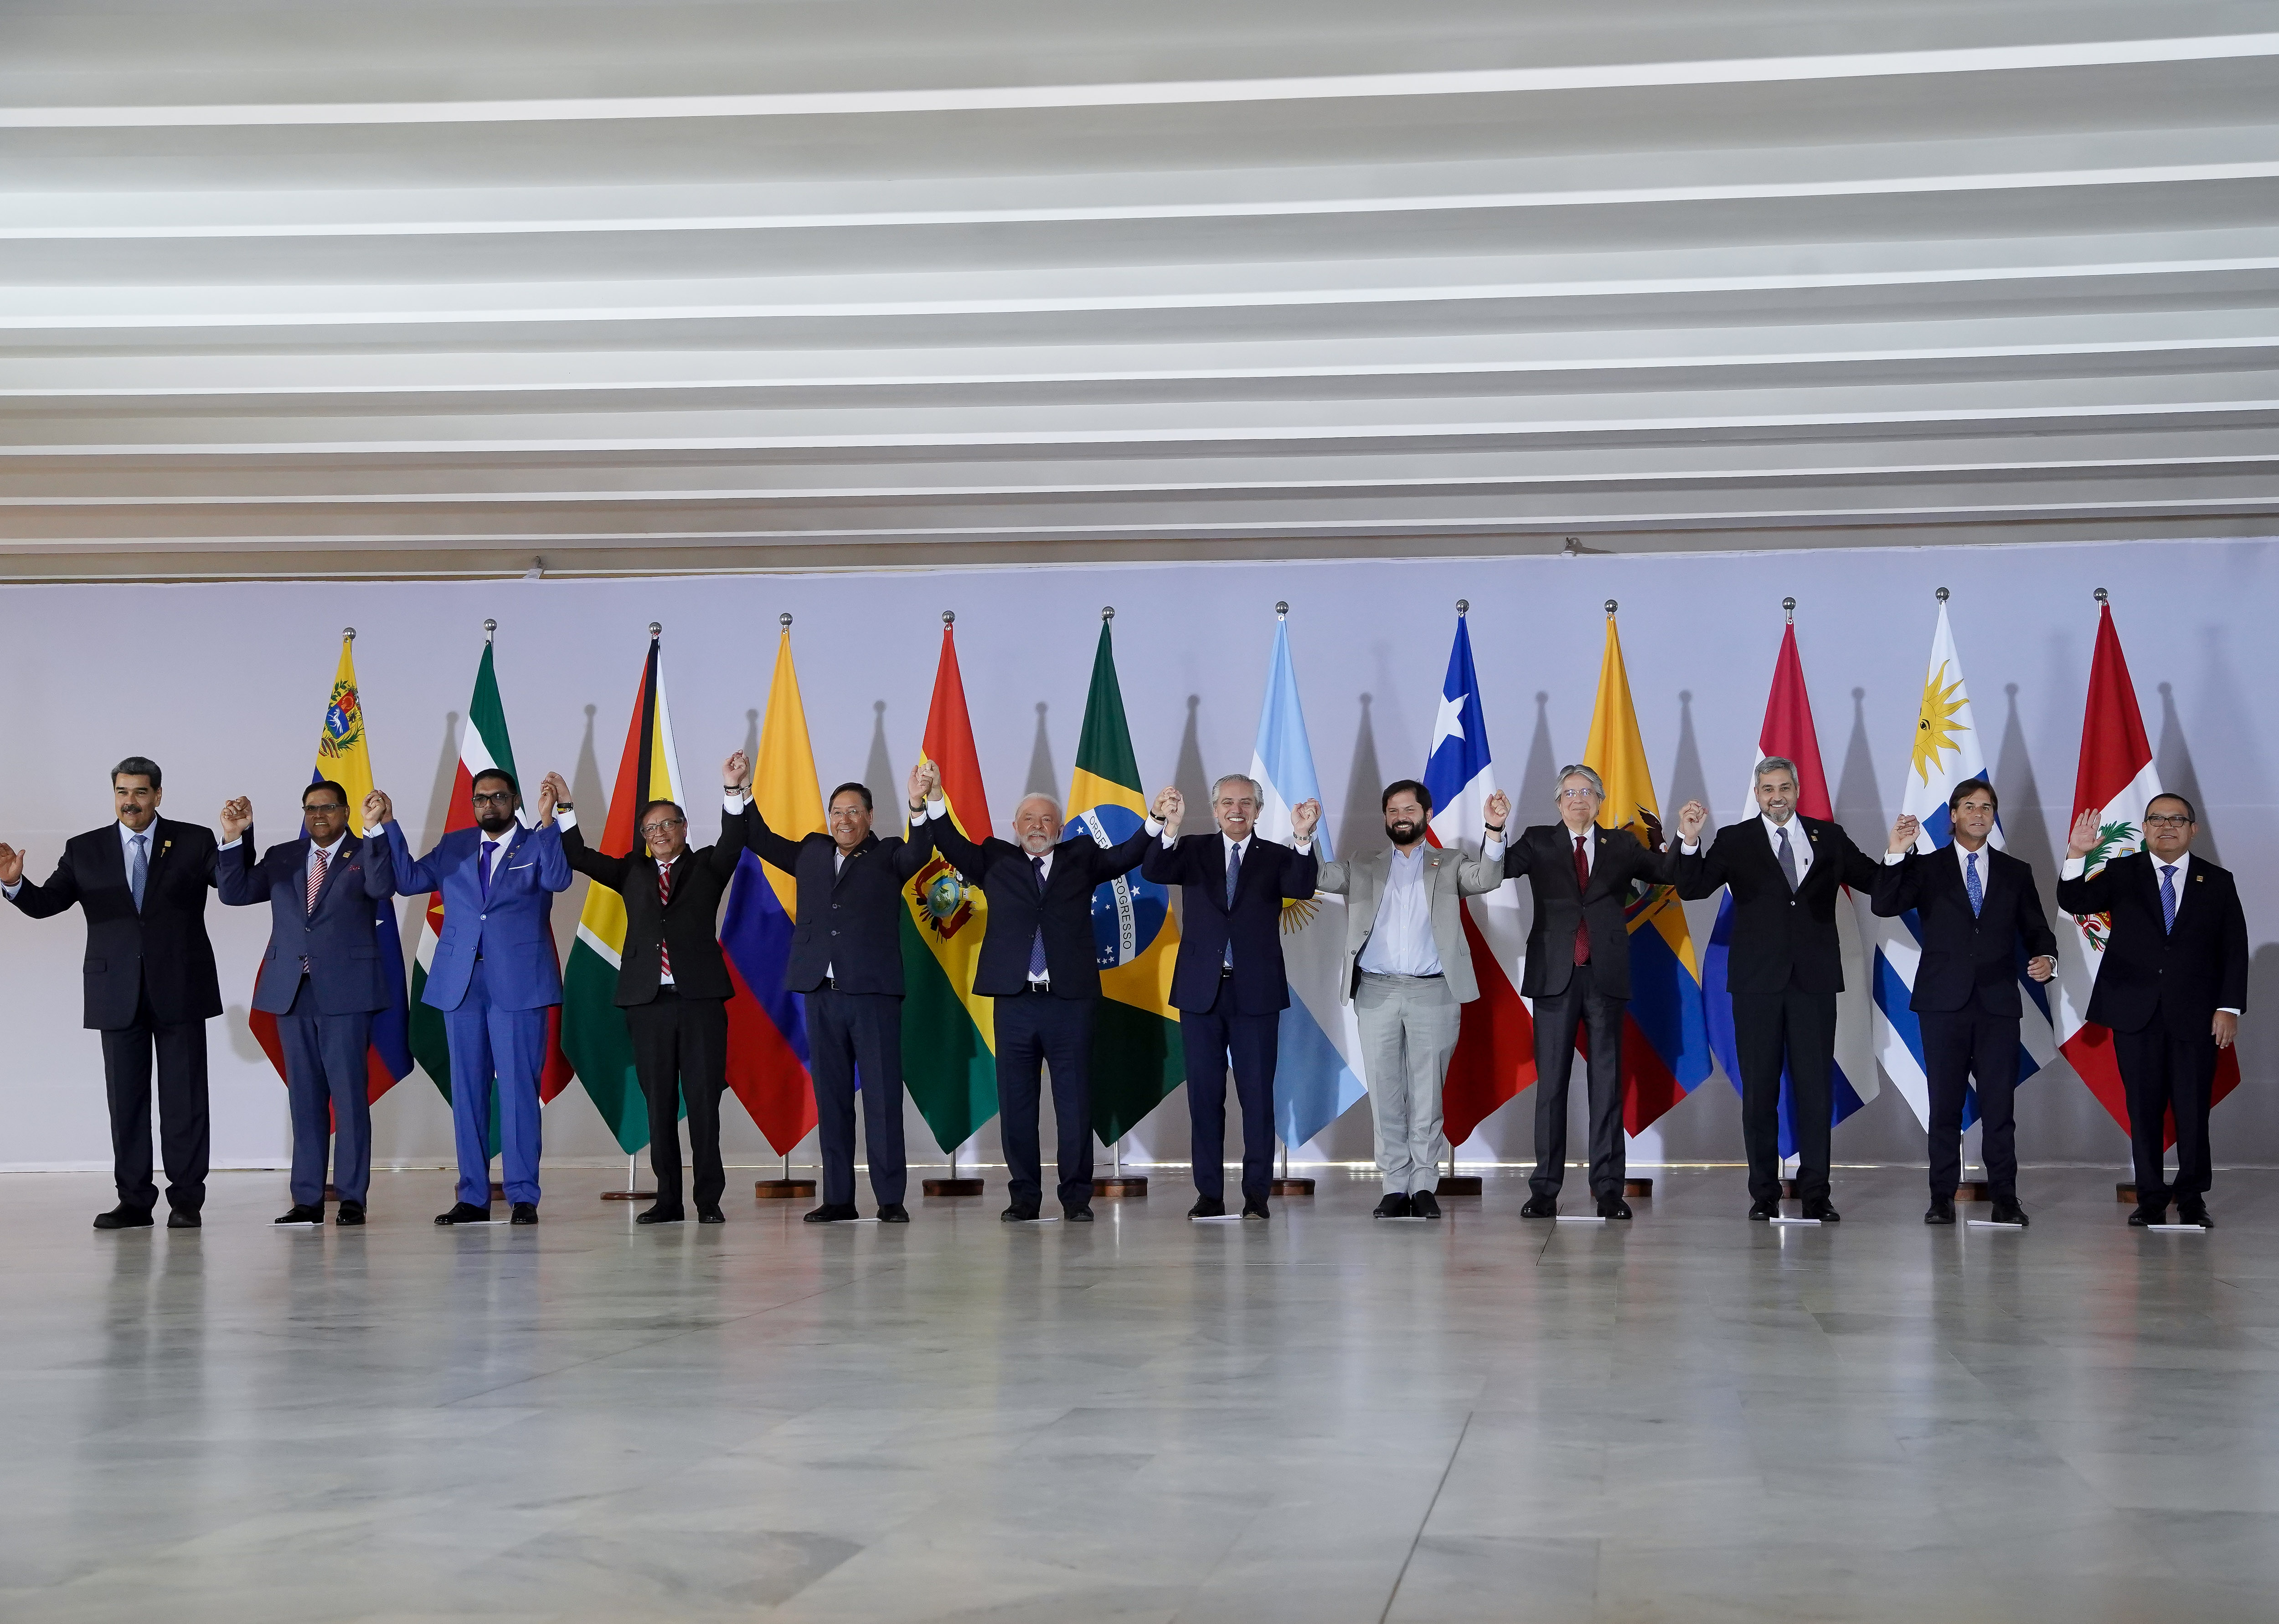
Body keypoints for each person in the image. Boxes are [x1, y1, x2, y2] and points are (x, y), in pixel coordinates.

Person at [913, 764, 1160, 1222]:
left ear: (1060, 828)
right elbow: (947, 842)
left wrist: (1157, 822)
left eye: (1045, 820)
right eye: (1027, 819)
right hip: (1016, 1002)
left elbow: (1127, 855)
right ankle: (1024, 1198)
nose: (1036, 827)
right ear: (1015, 828)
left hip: (1070, 1003)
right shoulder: (994, 859)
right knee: (1018, 1105)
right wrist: (932, 798)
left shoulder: (1081, 857)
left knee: (1074, 1103)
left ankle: (1075, 1199)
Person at [0, 757, 222, 1229]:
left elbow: (234, 885)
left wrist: (238, 840)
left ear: (158, 795)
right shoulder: (85, 849)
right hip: (115, 991)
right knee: (126, 1102)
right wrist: (14, 882)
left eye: (140, 793)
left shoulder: (194, 840)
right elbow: (46, 905)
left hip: (181, 986)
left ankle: (186, 1202)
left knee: (184, 1100)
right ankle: (134, 1201)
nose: (131, 802)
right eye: (123, 792)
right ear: (114, 795)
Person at [1672, 759, 1879, 1221]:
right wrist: (1688, 840)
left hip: (1813, 982)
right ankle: (1762, 1195)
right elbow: (1692, 888)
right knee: (1759, 1091)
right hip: (1755, 985)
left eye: (1784, 786)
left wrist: (1901, 851)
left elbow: (1875, 882)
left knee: (1813, 1090)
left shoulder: (1829, 837)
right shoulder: (1734, 840)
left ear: (1797, 788)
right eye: (1767, 789)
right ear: (1757, 792)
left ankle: (1816, 1194)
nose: (1776, 795)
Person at [547, 758, 750, 1225]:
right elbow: (578, 856)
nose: (659, 833)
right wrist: (564, 805)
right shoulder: (632, 872)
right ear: (642, 836)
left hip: (699, 1002)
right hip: (647, 1004)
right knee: (659, 1104)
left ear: (683, 827)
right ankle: (669, 1200)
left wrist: (731, 789)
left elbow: (736, 838)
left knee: (703, 1103)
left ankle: (708, 1201)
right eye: (649, 828)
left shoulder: (706, 866)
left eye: (667, 824)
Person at [376, 769, 571, 1226]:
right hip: (461, 984)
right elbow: (407, 881)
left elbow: (560, 880)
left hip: (519, 983)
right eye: (481, 798)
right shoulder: (455, 846)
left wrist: (549, 822)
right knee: (467, 1093)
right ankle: (473, 1198)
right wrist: (388, 824)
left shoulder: (535, 842)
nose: (489, 805)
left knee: (520, 1092)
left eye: (498, 797)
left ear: (515, 800)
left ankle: (523, 1196)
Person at [744, 764, 934, 1224]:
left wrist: (917, 804)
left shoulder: (889, 853)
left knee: (882, 1098)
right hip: (819, 992)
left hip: (872, 994)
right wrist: (737, 790)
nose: (843, 819)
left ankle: (890, 1199)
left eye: (853, 811)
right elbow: (759, 837)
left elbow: (920, 852)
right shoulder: (811, 852)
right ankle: (839, 1199)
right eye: (836, 811)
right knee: (831, 1098)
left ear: (869, 816)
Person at [2056, 792, 2247, 1228]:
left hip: (2196, 1016)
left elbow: (2233, 950)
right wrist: (2077, 854)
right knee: (2143, 1109)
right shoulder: (2123, 871)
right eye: (2156, 819)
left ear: (2192, 829)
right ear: (2144, 829)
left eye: (2176, 820)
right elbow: (2073, 901)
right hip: (2134, 1012)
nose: (2166, 826)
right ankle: (2151, 1198)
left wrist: (2229, 1008)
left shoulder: (2217, 881)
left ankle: (2193, 1198)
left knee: (2193, 1108)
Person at [1313, 778, 1502, 1219]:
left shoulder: (1450, 862)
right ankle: (1394, 1185)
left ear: (1426, 815)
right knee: (1385, 1090)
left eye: (1409, 809)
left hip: (1433, 991)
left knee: (1426, 1093)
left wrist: (1493, 832)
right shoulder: (1363, 863)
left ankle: (1423, 1184)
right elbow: (1320, 877)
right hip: (1376, 990)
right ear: (1385, 818)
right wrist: (1304, 835)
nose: (1401, 816)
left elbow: (1487, 877)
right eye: (1393, 810)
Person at [1871, 779, 2057, 1227]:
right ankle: (1940, 1198)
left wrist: (2046, 959)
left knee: (1999, 1109)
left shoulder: (2015, 871)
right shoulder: (1926, 867)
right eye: (1968, 806)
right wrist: (1896, 852)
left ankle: (2005, 1199)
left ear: (1993, 816)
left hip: (1996, 1004)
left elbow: (2036, 929)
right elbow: (1883, 902)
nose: (1978, 814)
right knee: (1945, 1107)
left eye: (1986, 807)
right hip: (1942, 1004)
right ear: (1952, 815)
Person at [1495, 766, 1675, 1221]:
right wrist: (1494, 828)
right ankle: (1544, 1189)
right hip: (1554, 976)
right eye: (1570, 792)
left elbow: (1668, 873)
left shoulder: (1623, 844)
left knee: (1607, 1086)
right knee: (1551, 1087)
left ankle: (1608, 1189)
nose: (1578, 799)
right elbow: (1497, 870)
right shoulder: (1537, 840)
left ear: (1599, 800)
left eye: (1587, 792)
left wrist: (1687, 840)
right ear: (1558, 802)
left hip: (1605, 975)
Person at [215, 781, 397, 1226]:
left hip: (348, 992)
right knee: (305, 1099)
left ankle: (352, 1198)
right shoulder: (283, 856)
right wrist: (236, 837)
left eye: (330, 808)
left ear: (346, 811)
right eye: (312, 809)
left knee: (349, 1098)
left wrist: (376, 833)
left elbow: (381, 887)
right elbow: (234, 892)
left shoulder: (364, 852)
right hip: (291, 991)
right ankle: (307, 1200)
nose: (320, 816)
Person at [1142, 775, 1320, 1219]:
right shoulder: (1192, 849)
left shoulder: (1276, 856)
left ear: (1258, 811)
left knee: (1256, 1097)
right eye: (1226, 803)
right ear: (1214, 808)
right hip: (1201, 994)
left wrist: (1301, 837)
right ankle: (1209, 1194)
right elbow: (1153, 870)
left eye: (1245, 803)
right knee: (1204, 1098)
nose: (1235, 810)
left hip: (1255, 995)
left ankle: (1256, 1195)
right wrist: (1168, 827)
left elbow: (1301, 886)